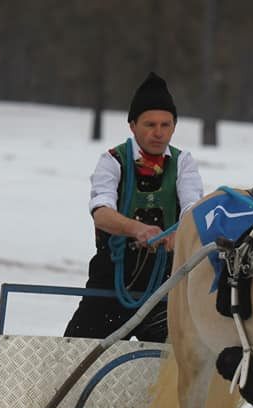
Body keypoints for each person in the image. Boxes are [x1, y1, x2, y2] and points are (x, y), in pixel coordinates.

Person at [64, 72, 204, 342]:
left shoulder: (183, 162)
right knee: (78, 356)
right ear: (132, 126)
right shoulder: (113, 160)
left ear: (174, 126)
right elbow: (101, 212)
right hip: (111, 285)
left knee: (172, 365)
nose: (158, 132)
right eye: (150, 124)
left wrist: (182, 233)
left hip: (163, 288)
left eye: (166, 124)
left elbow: (192, 207)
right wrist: (137, 229)